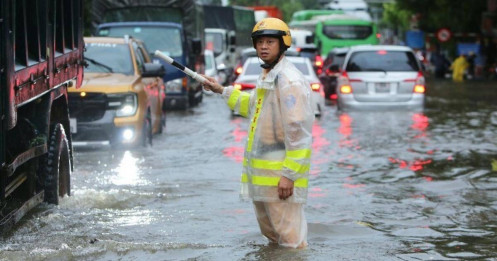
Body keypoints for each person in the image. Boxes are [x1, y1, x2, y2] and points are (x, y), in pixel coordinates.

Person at [202, 17, 314, 248]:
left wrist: (289, 175)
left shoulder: (288, 80)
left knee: (291, 241)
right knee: (274, 239)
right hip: (264, 178)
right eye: (260, 42)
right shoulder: (269, 76)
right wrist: (221, 90)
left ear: (283, 44)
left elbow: (298, 131)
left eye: (270, 42)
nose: (263, 47)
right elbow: (254, 107)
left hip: (281, 179)